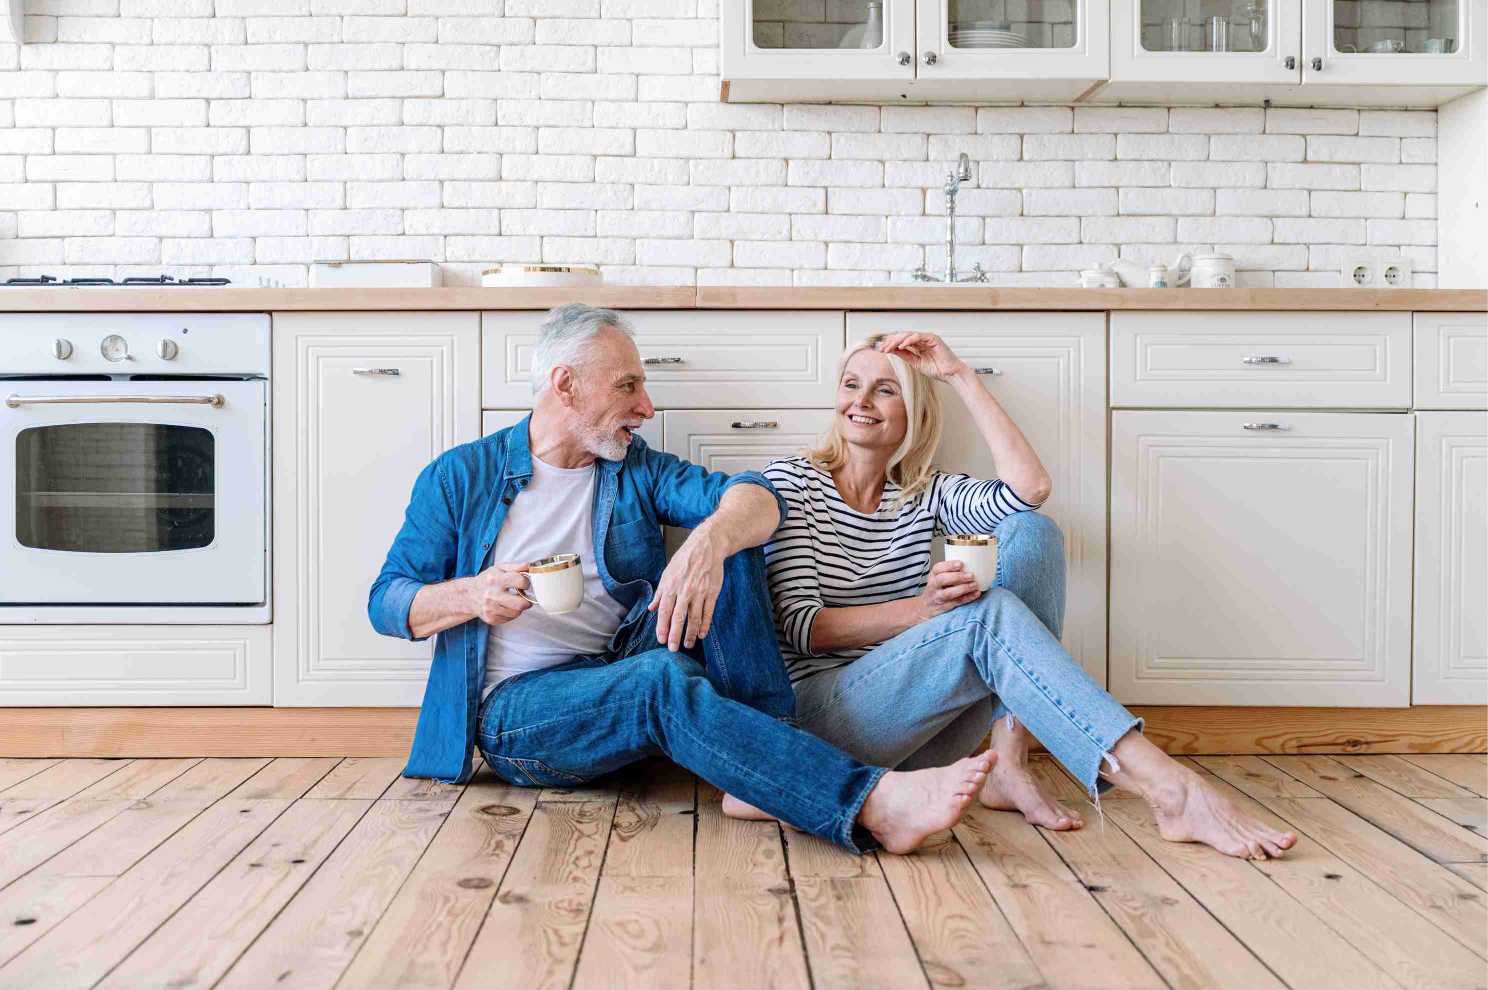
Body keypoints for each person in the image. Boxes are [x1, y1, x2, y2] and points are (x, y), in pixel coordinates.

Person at [368, 304, 994, 856]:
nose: (646, 406)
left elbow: (758, 495)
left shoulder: (634, 469)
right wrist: (471, 594)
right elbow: (388, 601)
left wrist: (709, 544)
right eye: (629, 386)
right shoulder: (460, 476)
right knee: (659, 679)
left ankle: (761, 766)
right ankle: (871, 803)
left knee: (732, 543)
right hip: (519, 713)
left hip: (616, 659)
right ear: (567, 385)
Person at [751, 330, 1298, 860]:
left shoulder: (925, 493)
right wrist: (927, 610)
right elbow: (805, 628)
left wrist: (960, 376)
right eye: (851, 384)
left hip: (920, 737)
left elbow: (1028, 491)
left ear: (913, 412)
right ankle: (1170, 789)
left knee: (1033, 533)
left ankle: (1008, 761)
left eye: (885, 389)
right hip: (826, 719)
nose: (861, 401)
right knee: (983, 618)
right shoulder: (794, 483)